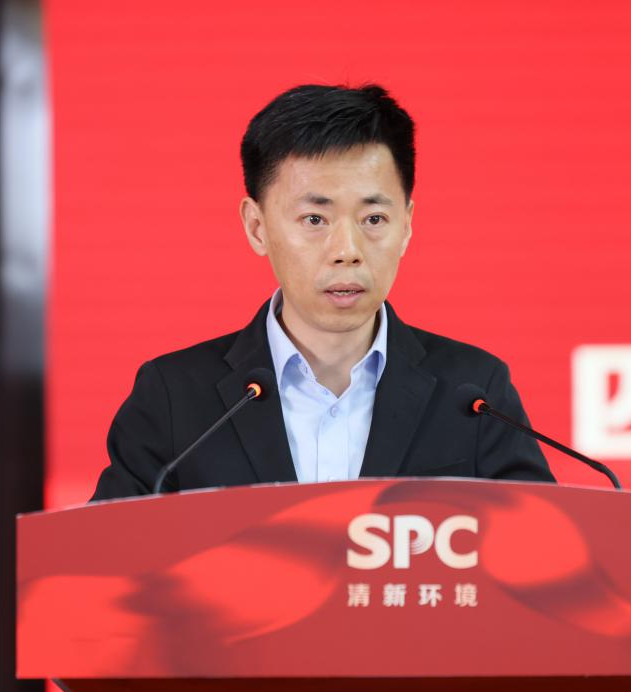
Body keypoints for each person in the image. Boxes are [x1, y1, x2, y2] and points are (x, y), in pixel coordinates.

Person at [91, 83, 554, 501]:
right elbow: (106, 556)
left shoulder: (476, 394)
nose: (347, 251)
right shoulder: (174, 397)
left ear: (407, 225)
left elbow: (545, 548)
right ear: (256, 227)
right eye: (315, 219)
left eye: (374, 219)